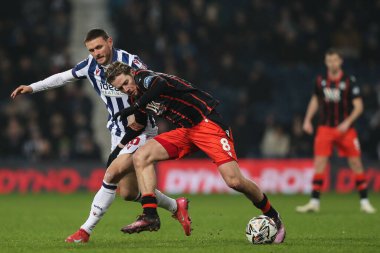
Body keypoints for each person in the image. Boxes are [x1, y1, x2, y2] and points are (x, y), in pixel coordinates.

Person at [10, 28, 192, 243]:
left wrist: (145, 110)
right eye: (91, 49)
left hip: (140, 128)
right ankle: (175, 206)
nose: (96, 53)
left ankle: (85, 231)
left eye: (99, 47)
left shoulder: (130, 61)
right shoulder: (90, 65)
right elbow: (63, 77)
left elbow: (151, 84)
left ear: (109, 42)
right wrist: (32, 88)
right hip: (117, 132)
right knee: (127, 192)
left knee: (110, 175)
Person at [105, 61, 286, 243]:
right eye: (120, 88)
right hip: (186, 130)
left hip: (207, 124)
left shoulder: (143, 77)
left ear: (131, 73)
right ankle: (150, 214)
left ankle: (273, 215)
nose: (126, 88)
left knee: (235, 181)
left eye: (126, 82)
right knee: (141, 155)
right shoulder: (136, 98)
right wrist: (117, 151)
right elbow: (139, 125)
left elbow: (159, 84)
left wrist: (135, 107)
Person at [296, 48, 376, 214]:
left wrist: (347, 123)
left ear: (340, 62)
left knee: (356, 163)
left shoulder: (349, 81)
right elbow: (315, 100)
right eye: (329, 60)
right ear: (326, 62)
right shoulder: (321, 80)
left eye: (335, 60)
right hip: (325, 128)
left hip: (345, 130)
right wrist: (307, 119)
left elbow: (359, 107)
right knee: (320, 164)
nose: (332, 63)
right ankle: (314, 202)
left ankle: (364, 201)